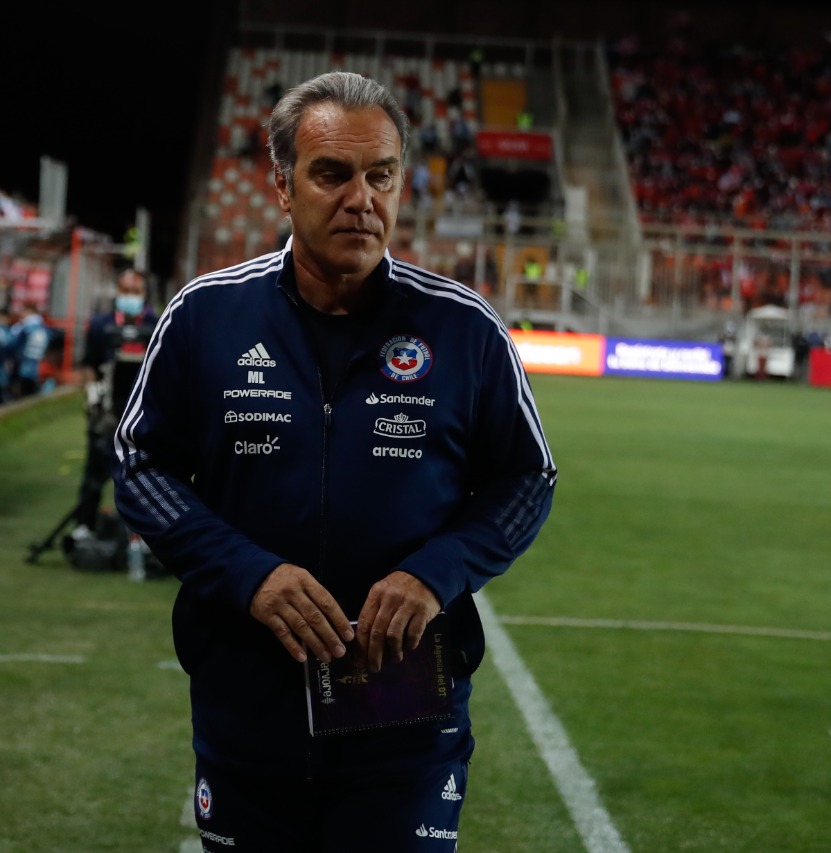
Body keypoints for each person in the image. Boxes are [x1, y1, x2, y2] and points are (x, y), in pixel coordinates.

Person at [111, 71, 557, 851]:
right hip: (248, 713)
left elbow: (529, 478)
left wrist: (436, 571)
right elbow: (138, 464)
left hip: (406, 724)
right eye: (333, 174)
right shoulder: (206, 315)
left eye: (381, 175)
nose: (362, 198)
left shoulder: (464, 329)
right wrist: (248, 573)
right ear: (282, 187)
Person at [69, 268, 159, 540]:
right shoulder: (101, 324)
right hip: (108, 410)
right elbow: (89, 367)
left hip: (144, 414)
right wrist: (92, 403)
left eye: (135, 291)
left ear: (144, 295)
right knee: (95, 470)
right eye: (125, 290)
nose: (129, 296)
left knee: (146, 475)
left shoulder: (156, 324)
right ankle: (84, 526)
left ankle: (144, 536)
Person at [7, 301, 50, 399]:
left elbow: (12, 343)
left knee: (23, 394)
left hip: (23, 364)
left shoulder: (25, 327)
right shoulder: (43, 327)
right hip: (37, 365)